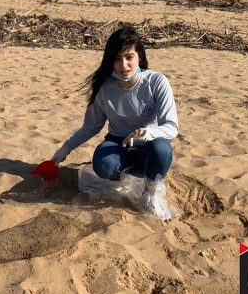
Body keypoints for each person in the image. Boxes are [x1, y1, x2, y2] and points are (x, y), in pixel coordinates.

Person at [50, 26, 179, 220]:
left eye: (129, 57)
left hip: (148, 146)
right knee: (103, 163)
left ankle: (152, 194)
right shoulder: (104, 88)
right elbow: (91, 126)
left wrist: (148, 133)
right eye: (117, 59)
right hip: (118, 143)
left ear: (140, 56)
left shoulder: (156, 82)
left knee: (162, 149)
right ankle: (125, 182)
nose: (124, 65)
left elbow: (171, 126)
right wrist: (65, 148)